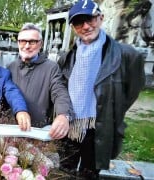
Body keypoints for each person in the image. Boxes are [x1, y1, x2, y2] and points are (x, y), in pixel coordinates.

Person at [57, 0, 145, 178]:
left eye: (90, 19)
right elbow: (62, 88)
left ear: (101, 18)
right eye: (79, 22)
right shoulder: (66, 57)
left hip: (98, 127)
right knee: (64, 171)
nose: (86, 26)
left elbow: (131, 91)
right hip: (69, 125)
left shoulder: (127, 55)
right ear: (74, 28)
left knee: (89, 174)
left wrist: (109, 110)